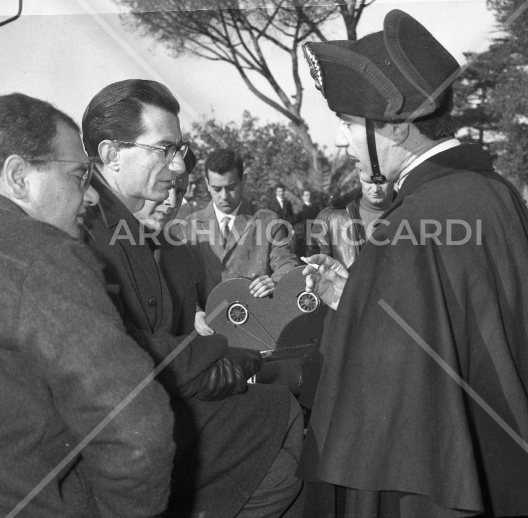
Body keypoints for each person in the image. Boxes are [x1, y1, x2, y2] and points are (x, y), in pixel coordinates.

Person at [299, 9, 528, 518]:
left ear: (394, 127)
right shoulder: (496, 193)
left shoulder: (410, 222)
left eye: (347, 122)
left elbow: (396, 407)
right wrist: (360, 295)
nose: (342, 141)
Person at [81, 80, 303, 518]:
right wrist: (218, 361)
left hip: (154, 402)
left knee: (280, 425)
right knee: (282, 446)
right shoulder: (88, 230)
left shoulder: (131, 228)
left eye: (179, 151)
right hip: (117, 434)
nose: (178, 167)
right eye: (165, 149)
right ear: (111, 155)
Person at [0, 93, 174, 517]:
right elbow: (138, 432)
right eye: (79, 176)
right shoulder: (42, 256)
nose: (92, 197)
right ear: (19, 176)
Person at [177, 148, 299, 336]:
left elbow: (287, 266)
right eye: (217, 189)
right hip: (210, 334)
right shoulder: (189, 227)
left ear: (245, 180)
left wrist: (276, 281)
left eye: (231, 187)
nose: (224, 196)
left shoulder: (268, 221)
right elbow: (182, 283)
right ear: (207, 184)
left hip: (259, 332)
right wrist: (194, 312)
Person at [310, 180, 395, 268]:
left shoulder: (407, 213)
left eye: (382, 181)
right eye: (370, 181)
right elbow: (317, 267)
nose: (375, 189)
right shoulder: (329, 218)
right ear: (360, 174)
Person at [293, 189, 320, 259]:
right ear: (303, 197)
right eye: (306, 195)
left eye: (309, 195)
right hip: (303, 234)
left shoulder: (315, 207)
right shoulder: (299, 208)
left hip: (314, 232)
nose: (309, 197)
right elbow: (295, 221)